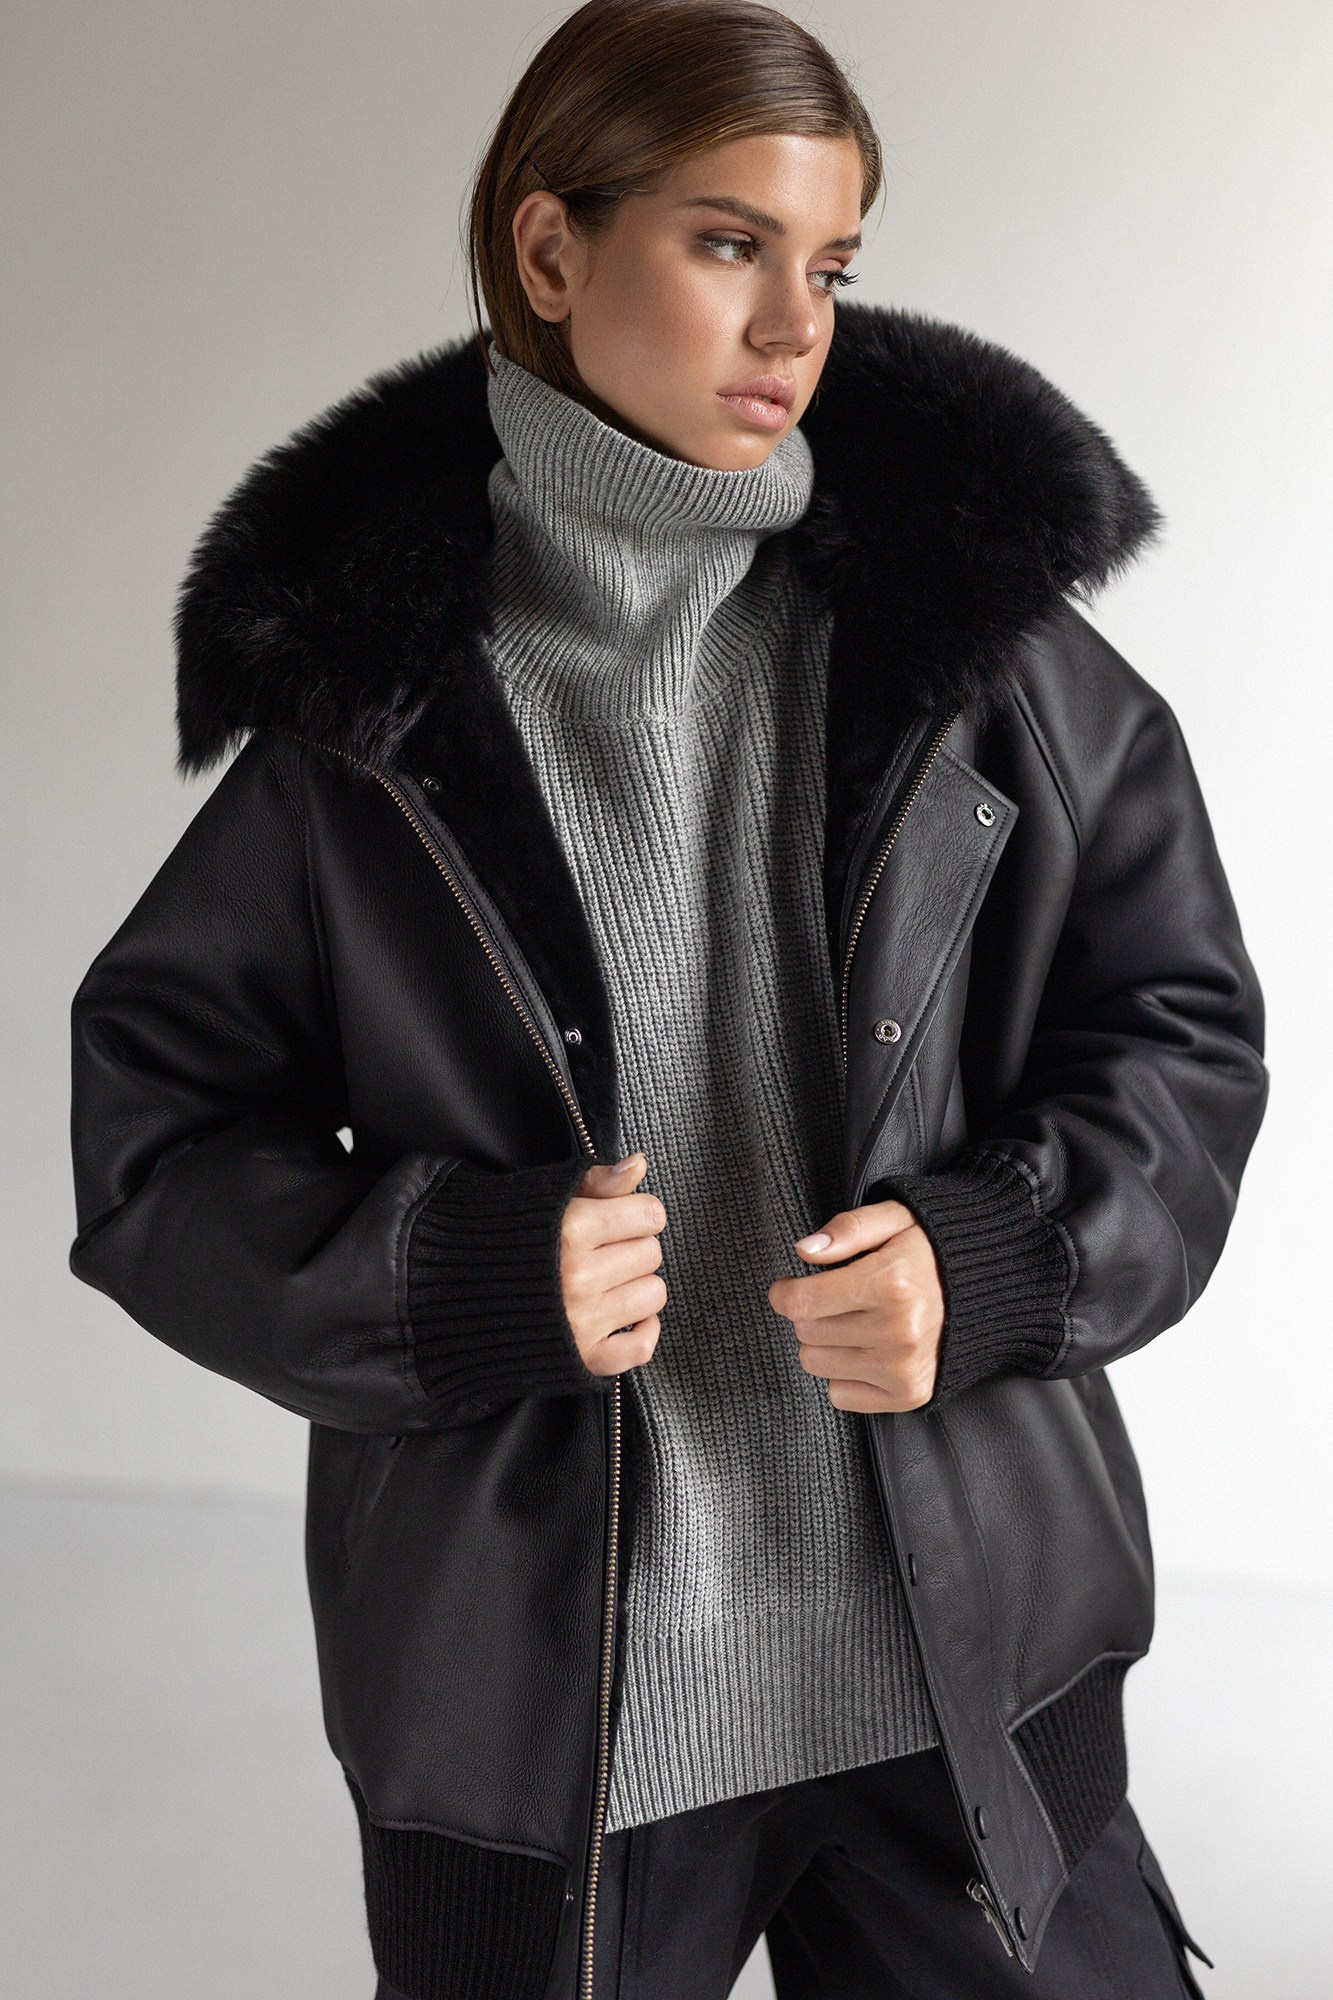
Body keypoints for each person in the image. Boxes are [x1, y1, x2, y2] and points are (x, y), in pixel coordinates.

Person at [67, 3, 1267, 1996]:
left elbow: (1178, 1030)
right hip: (554, 1744)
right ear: (549, 251)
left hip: (964, 1679)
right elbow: (156, 1144)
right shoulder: (364, 722)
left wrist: (997, 1258)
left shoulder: (989, 660)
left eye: (832, 266)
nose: (795, 327)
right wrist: (453, 1279)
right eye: (729, 244)